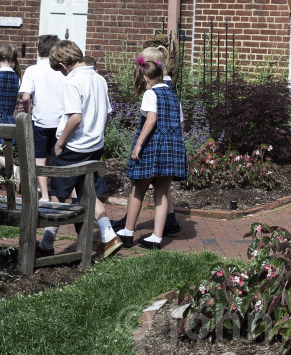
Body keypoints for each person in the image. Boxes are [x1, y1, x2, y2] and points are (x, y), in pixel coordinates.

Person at [37, 40, 121, 259]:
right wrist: (98, 136)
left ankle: (46, 243)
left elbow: (75, 117)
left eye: (60, 70)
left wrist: (59, 143)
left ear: (64, 64)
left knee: (59, 195)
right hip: (94, 146)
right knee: (88, 192)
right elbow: (107, 114)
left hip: (73, 147)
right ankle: (108, 234)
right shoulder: (100, 79)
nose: (61, 74)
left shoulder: (72, 82)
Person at [115, 55, 188, 250]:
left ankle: (128, 232)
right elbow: (179, 122)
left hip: (152, 146)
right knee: (162, 192)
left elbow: (151, 119)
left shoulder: (151, 94)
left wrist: (139, 144)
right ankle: (156, 237)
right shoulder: (174, 96)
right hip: (172, 147)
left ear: (146, 79)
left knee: (138, 188)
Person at [19, 34, 68, 202]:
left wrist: (28, 112)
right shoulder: (63, 69)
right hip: (61, 121)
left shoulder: (32, 70)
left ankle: (45, 195)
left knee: (39, 158)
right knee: (56, 156)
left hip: (40, 120)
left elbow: (25, 97)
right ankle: (59, 192)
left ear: (38, 51)